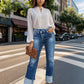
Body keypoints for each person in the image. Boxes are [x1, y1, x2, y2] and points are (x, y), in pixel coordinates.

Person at [24, 0, 56, 84]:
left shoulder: (47, 11)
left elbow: (52, 23)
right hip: (36, 35)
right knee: (33, 60)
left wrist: (52, 28)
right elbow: (30, 26)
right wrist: (31, 41)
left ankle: (49, 80)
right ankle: (28, 82)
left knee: (50, 60)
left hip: (49, 35)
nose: (41, 0)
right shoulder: (31, 10)